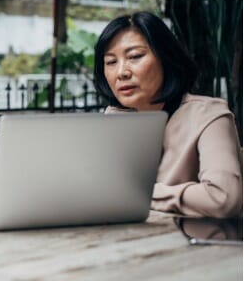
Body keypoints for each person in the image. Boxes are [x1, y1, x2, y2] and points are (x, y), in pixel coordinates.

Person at [93, 11, 242, 218]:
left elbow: (223, 197)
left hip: (194, 243)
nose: (121, 72)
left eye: (135, 56)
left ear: (166, 58)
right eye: (110, 62)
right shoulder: (111, 121)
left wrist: (140, 193)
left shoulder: (208, 116)